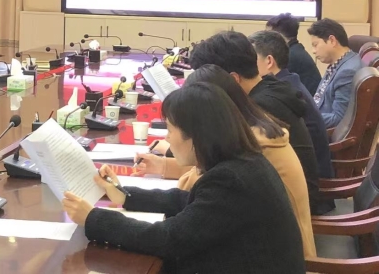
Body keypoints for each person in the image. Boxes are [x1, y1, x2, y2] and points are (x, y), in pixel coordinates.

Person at [62, 83, 306, 274]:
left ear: (197, 135)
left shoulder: (231, 179)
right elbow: (189, 202)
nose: (167, 138)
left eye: (170, 129)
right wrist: (126, 196)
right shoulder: (241, 162)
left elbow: (168, 239)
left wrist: (94, 218)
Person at [135, 65, 315, 258]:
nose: (168, 136)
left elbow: (194, 193)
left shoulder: (243, 160)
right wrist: (163, 166)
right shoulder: (247, 136)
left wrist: (107, 220)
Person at [189, 31, 322, 214]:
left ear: (233, 79)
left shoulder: (259, 107)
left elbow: (215, 169)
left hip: (287, 211)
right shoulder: (268, 88)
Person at [250, 30, 334, 181]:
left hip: (313, 182)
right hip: (311, 174)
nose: (247, 66)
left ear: (269, 61)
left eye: (251, 59)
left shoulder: (277, 95)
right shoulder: (288, 83)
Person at [308, 18, 362, 128]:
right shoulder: (341, 62)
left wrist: (303, 119)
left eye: (315, 44)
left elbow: (339, 118)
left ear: (332, 40)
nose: (313, 51)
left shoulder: (347, 72)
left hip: (321, 132)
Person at [267, 13, 323, 96]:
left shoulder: (290, 56)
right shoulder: (295, 50)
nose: (266, 40)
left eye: (268, 36)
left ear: (279, 36)